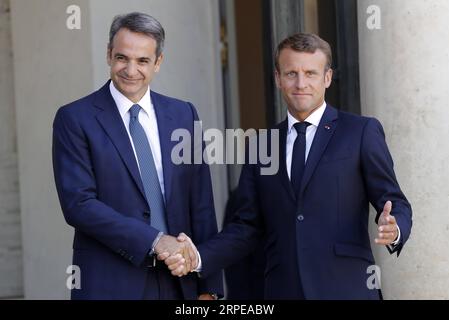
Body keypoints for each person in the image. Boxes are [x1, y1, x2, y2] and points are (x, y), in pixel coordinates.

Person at [163, 33, 413, 299]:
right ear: (278, 78)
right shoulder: (262, 145)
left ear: (327, 78)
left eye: (310, 73)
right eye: (291, 73)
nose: (301, 83)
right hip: (283, 290)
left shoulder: (361, 131)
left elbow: (393, 200)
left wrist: (394, 226)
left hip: (348, 289)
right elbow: (245, 228)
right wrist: (199, 256)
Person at [52, 12, 222, 300]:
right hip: (111, 281)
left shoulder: (183, 114)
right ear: (108, 54)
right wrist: (155, 241)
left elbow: (201, 202)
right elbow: (78, 204)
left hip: (179, 282)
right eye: (122, 58)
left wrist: (209, 287)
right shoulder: (75, 118)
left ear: (158, 62)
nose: (131, 70)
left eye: (142, 60)